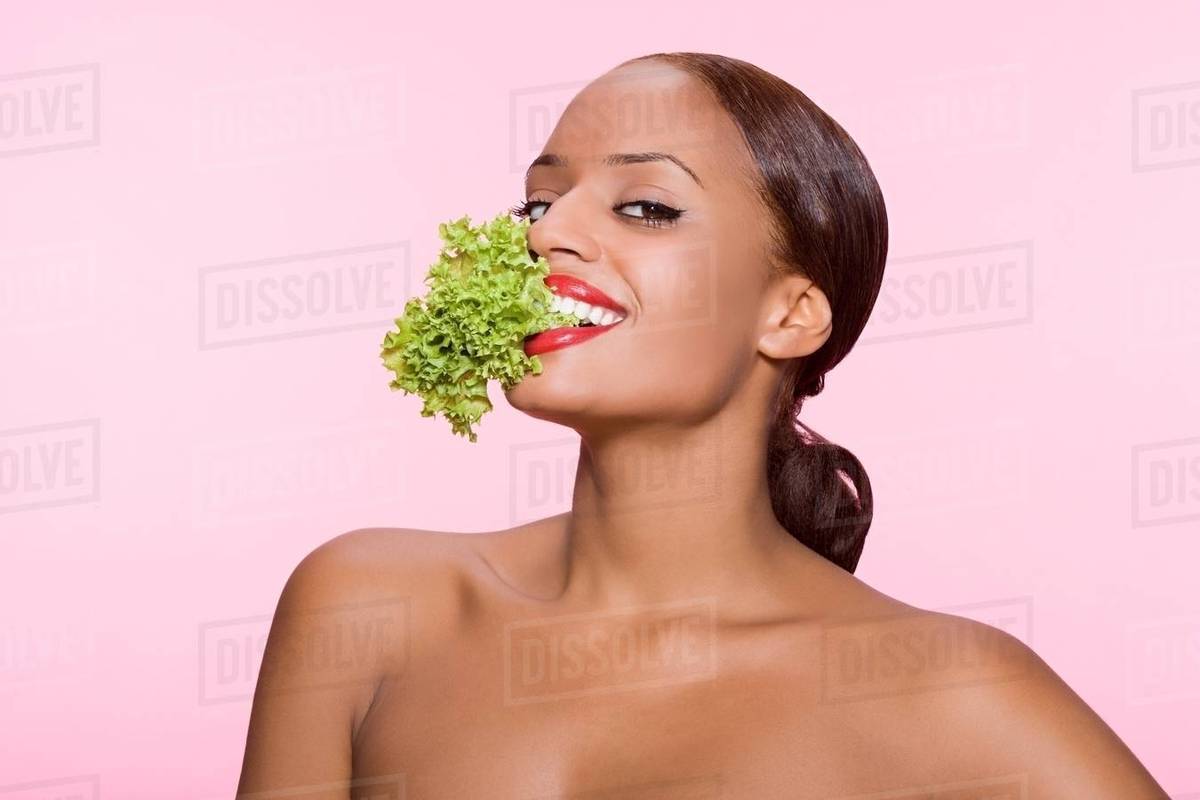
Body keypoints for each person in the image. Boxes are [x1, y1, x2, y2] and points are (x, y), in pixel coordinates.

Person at [237, 52, 1169, 799]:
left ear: (790, 314)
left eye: (647, 206)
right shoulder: (367, 603)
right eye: (539, 199)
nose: (545, 232)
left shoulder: (947, 690)